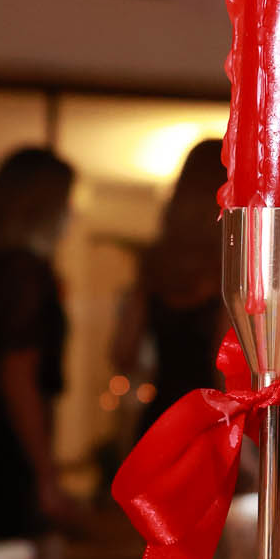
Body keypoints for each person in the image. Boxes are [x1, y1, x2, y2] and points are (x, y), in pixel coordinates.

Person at [0, 146, 85, 539]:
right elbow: (18, 377)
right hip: (5, 444)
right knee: (14, 555)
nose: (71, 212)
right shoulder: (23, 272)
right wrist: (45, 473)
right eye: (65, 200)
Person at [112, 138, 228, 424]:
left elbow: (123, 353)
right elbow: (224, 369)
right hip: (211, 418)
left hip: (162, 415)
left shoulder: (156, 264)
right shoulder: (228, 267)